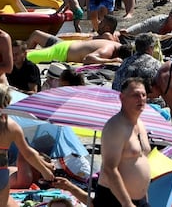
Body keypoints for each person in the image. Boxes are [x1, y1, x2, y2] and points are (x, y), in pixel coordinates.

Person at [95, 78, 151, 206]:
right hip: (115, 199)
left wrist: (144, 196)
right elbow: (110, 169)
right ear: (122, 97)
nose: (141, 99)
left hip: (139, 200)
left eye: (143, 95)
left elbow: (141, 162)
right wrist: (127, 204)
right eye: (135, 95)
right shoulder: (115, 126)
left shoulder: (141, 124)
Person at [26, 38, 125, 65]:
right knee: (25, 57)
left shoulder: (117, 44)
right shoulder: (107, 50)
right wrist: (111, 61)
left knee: (30, 53)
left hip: (68, 46)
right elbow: (88, 59)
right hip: (63, 53)